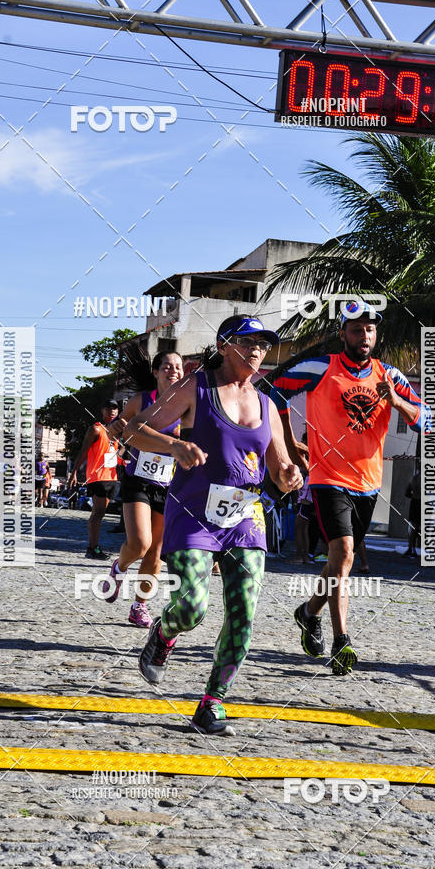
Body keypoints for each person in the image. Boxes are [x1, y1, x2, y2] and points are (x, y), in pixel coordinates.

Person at [127, 315, 302, 736]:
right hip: (193, 513)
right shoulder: (195, 388)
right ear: (225, 346)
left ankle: (213, 702)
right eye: (248, 342)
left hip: (246, 518)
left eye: (263, 344)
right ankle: (163, 633)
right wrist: (175, 445)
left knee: (243, 614)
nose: (257, 350)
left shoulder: (267, 406)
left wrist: (291, 475)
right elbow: (134, 430)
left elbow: (279, 467)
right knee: (192, 607)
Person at [270, 299, 431, 675]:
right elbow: (272, 392)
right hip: (327, 478)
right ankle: (342, 641)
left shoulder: (390, 375)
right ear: (342, 333)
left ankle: (309, 612)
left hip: (369, 482)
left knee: (340, 562)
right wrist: (292, 449)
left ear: (377, 335)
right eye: (356, 329)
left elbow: (424, 420)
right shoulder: (319, 368)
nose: (364, 336)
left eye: (370, 330)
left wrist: (396, 402)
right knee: (342, 553)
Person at [104, 347, 184, 627]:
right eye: (167, 366)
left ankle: (140, 605)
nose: (173, 371)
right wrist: (117, 428)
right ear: (156, 372)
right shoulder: (142, 400)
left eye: (178, 367)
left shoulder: (188, 407)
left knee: (156, 552)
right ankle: (119, 567)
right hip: (138, 478)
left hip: (169, 485)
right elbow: (119, 427)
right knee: (139, 544)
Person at [69, 400, 120, 560]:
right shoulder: (96, 429)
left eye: (115, 408)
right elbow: (84, 450)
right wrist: (74, 472)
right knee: (97, 513)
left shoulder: (118, 431)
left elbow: (116, 452)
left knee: (101, 513)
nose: (112, 411)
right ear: (102, 410)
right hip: (98, 476)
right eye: (109, 408)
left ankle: (93, 547)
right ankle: (92, 548)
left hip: (111, 476)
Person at [404, 466, 422, 557]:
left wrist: (414, 496)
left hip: (414, 502)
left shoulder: (413, 478)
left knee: (414, 527)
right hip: (423, 504)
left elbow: (407, 493)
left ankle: (411, 548)